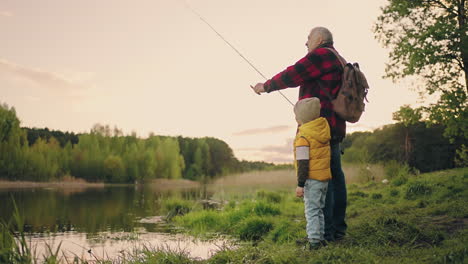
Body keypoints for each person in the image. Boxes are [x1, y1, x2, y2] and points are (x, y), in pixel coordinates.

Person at [250, 27, 347, 242]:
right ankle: (336, 229)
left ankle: (326, 234)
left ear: (320, 39)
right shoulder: (338, 58)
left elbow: (293, 74)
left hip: (320, 128)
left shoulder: (321, 55)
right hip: (334, 126)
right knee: (335, 175)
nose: (306, 43)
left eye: (308, 39)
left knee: (326, 177)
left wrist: (265, 87)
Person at [293, 97, 331, 250]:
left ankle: (314, 242)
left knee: (311, 211)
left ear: (301, 118)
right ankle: (320, 238)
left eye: (296, 116)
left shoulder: (303, 137)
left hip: (311, 179)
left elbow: (303, 163)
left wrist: (300, 184)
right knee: (319, 209)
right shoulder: (322, 129)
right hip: (323, 179)